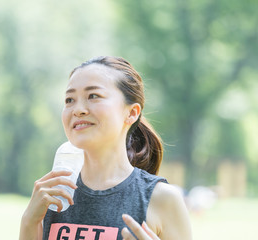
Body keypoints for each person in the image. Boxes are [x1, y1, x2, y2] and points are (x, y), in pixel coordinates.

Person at [19, 56, 192, 240]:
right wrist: (29, 221)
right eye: (69, 99)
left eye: (93, 96)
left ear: (131, 113)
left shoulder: (163, 199)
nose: (78, 109)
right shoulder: (52, 193)